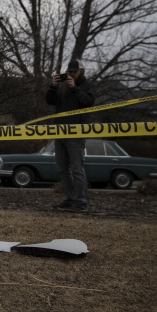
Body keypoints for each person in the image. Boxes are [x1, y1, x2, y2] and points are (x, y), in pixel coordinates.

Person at [45, 59, 96, 212]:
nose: (71, 74)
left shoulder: (88, 86)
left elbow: (88, 102)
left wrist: (75, 88)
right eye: (69, 71)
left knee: (77, 168)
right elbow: (50, 101)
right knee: (62, 168)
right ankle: (68, 199)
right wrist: (52, 87)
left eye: (74, 71)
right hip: (60, 131)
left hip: (76, 133)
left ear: (82, 71)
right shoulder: (62, 87)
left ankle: (80, 202)